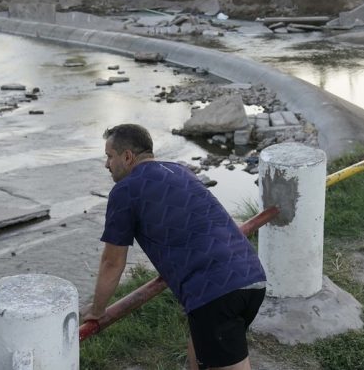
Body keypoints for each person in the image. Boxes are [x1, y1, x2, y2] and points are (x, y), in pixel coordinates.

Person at [82, 124, 267, 370]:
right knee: (200, 353)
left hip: (215, 293)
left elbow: (112, 262)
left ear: (127, 157)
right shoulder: (179, 170)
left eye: (109, 156)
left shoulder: (125, 191)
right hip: (251, 274)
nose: (107, 164)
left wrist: (97, 310)